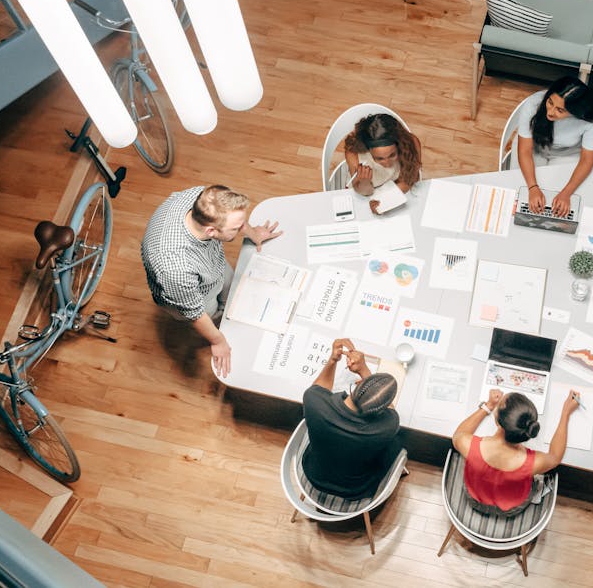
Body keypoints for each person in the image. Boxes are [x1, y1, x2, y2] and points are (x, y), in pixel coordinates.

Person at [141, 185, 281, 377]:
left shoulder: (204, 198)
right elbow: (195, 313)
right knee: (213, 314)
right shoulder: (175, 268)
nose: (242, 228)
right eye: (236, 228)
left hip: (211, 263)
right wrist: (218, 341)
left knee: (232, 291)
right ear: (211, 231)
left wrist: (254, 234)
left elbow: (234, 217)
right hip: (191, 295)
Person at [452, 389, 580, 514]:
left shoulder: (469, 445)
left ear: (497, 422)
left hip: (475, 500)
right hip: (512, 508)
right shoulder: (533, 463)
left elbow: (459, 434)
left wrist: (488, 405)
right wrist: (565, 414)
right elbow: (555, 457)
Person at [302, 338, 402, 499]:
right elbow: (391, 410)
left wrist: (334, 359)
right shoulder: (387, 425)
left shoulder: (314, 402)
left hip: (314, 474)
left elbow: (319, 387)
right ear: (380, 411)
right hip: (354, 489)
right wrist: (364, 371)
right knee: (396, 443)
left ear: (356, 386)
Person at [517, 76, 593, 218]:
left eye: (560, 110)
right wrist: (533, 187)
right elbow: (524, 150)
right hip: (535, 148)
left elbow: (587, 160)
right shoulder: (534, 104)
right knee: (521, 190)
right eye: (550, 102)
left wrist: (566, 193)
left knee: (565, 199)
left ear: (575, 112)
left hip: (567, 154)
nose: (550, 112)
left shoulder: (592, 121)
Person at [344, 113, 422, 214]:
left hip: (397, 187)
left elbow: (409, 180)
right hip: (365, 192)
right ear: (368, 150)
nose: (387, 163)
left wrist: (385, 202)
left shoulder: (412, 143)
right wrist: (364, 182)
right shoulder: (353, 154)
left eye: (392, 155)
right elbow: (364, 192)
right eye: (379, 158)